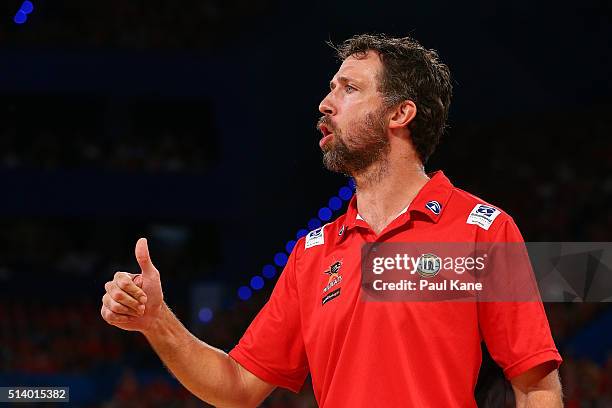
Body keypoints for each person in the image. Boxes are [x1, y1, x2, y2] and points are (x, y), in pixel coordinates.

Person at [101, 34, 563, 407]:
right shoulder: (313, 253)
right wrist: (156, 322)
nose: (325, 103)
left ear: (400, 113)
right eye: (331, 88)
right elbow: (237, 387)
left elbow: (535, 385)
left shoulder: (483, 230)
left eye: (350, 88)